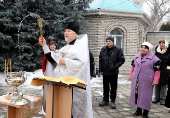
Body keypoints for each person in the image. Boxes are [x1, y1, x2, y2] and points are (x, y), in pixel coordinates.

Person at [39, 22, 93, 118]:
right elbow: (53, 58)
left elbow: (83, 64)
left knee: (72, 111)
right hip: (62, 85)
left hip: (74, 88)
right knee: (63, 110)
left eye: (69, 31)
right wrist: (44, 45)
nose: (66, 33)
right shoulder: (66, 47)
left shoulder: (81, 47)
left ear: (76, 34)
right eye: (65, 31)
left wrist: (67, 61)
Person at [128, 42, 161, 118]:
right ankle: (138, 109)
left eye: (145, 48)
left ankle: (146, 111)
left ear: (149, 49)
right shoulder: (136, 57)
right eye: (142, 47)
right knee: (137, 94)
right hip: (136, 80)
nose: (143, 49)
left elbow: (157, 71)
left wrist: (155, 80)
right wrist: (130, 75)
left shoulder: (155, 59)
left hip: (147, 80)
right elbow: (132, 67)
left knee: (146, 96)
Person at [99, 36, 125, 109]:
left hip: (113, 72)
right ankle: (105, 100)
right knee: (105, 86)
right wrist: (101, 70)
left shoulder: (118, 49)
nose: (108, 42)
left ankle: (113, 101)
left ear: (113, 42)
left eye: (109, 41)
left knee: (113, 87)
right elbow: (100, 60)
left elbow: (122, 60)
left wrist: (114, 67)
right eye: (107, 41)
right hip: (105, 72)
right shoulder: (103, 49)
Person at [152, 40, 170, 105]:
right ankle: (156, 98)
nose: (161, 44)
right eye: (160, 43)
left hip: (165, 71)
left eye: (163, 43)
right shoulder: (157, 52)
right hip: (157, 71)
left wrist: (168, 71)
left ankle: (163, 99)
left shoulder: (168, 52)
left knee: (164, 85)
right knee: (157, 84)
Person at [42, 41, 57, 112]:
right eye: (51, 45)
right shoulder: (47, 54)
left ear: (55, 46)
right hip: (48, 72)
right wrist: (44, 70)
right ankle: (47, 105)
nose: (52, 46)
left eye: (53, 45)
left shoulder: (58, 53)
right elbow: (44, 62)